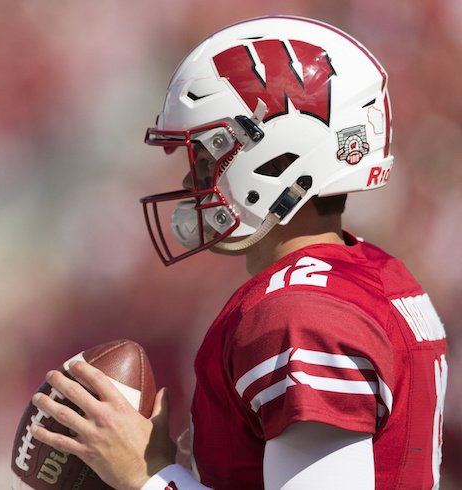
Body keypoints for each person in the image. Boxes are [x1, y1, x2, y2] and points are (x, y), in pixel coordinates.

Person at [30, 16, 447, 490]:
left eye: (207, 157)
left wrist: (147, 478)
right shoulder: (373, 272)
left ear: (274, 158)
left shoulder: (299, 316)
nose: (192, 183)